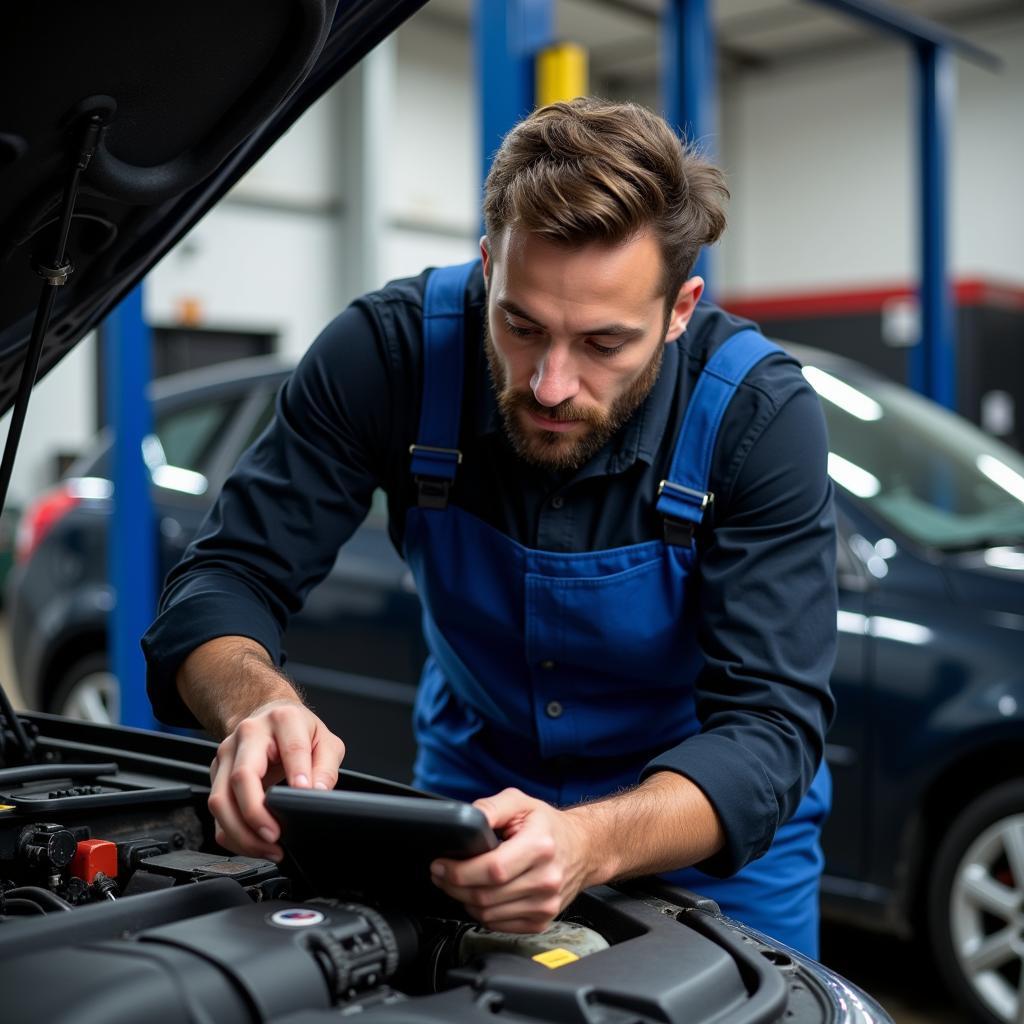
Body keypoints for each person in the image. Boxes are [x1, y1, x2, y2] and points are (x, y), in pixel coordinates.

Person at [142, 98, 836, 956]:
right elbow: (225, 579)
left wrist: (592, 840)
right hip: (472, 807)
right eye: (519, 324)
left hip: (703, 841)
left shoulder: (758, 419)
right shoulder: (386, 356)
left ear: (682, 307)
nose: (549, 384)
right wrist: (258, 705)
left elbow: (771, 727)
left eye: (603, 344)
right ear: (486, 266)